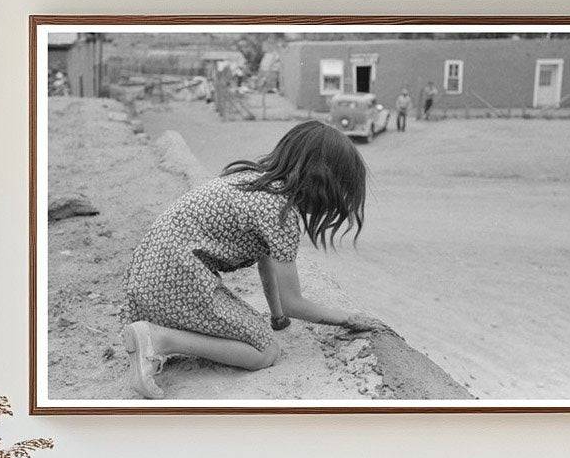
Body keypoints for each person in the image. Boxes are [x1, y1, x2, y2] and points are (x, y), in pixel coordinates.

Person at [122, 121, 384, 399]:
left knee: (254, 334)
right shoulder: (280, 213)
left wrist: (277, 317)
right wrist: (349, 319)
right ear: (324, 183)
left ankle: (154, 335)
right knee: (265, 351)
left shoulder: (256, 183)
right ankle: (158, 339)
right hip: (176, 279)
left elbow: (265, 262)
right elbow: (294, 302)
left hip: (150, 277)